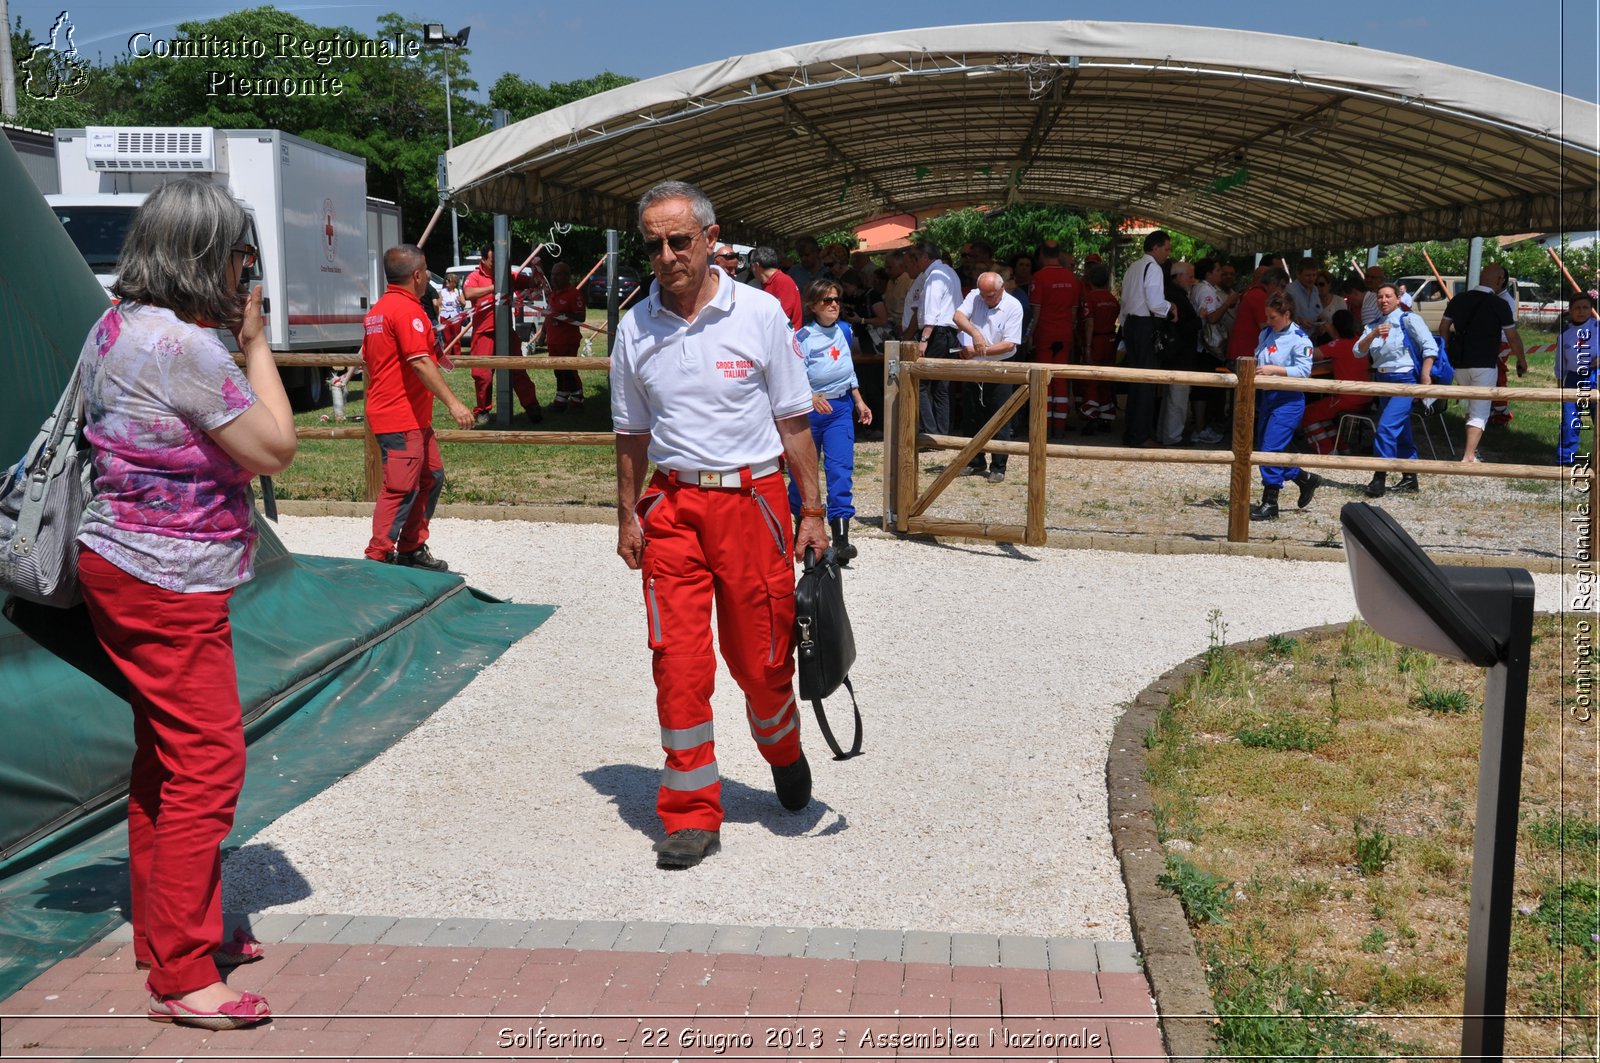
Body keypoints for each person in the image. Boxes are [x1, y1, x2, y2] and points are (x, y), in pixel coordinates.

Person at [73, 177, 297, 1031]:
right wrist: (257, 344)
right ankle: (181, 973)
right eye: (243, 254)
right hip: (169, 582)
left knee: (162, 761)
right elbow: (275, 446)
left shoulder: (114, 326)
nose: (248, 271)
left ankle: (170, 934)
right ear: (208, 256)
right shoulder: (189, 350)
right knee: (208, 763)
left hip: (117, 566)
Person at [611, 180, 828, 871]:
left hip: (752, 503)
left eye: (680, 240)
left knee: (762, 661)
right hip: (672, 508)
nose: (667, 254)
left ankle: (782, 747)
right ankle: (691, 812)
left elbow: (794, 422)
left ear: (711, 239)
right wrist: (625, 514)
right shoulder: (634, 325)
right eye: (654, 244)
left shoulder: (760, 313)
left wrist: (814, 510)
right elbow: (629, 435)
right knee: (678, 663)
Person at [362, 245, 476, 569]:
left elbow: (371, 359)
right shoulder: (406, 311)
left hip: (407, 415)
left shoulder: (378, 310)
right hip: (400, 416)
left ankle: (411, 549)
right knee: (400, 488)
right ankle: (377, 560)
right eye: (426, 270)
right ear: (416, 275)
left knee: (432, 476)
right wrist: (454, 404)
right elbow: (421, 364)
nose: (428, 276)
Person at [790, 278, 873, 560]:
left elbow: (848, 370)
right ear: (813, 306)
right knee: (803, 472)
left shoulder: (845, 331)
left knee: (840, 470)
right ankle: (803, 529)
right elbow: (793, 375)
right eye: (828, 300)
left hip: (840, 408)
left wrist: (859, 402)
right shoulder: (802, 337)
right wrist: (811, 396)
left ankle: (841, 540)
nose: (835, 304)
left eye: (837, 299)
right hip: (810, 411)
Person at [1246, 291, 1323, 520]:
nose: (1268, 321)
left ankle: (1271, 503)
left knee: (1270, 450)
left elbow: (1304, 371)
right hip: (1268, 397)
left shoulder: (1300, 339)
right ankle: (1304, 479)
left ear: (1286, 314)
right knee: (1267, 450)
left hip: (1288, 400)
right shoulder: (1266, 334)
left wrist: (1275, 370)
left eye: (1273, 317)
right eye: (1267, 317)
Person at [1356, 282, 1436, 497]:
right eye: (1380, 297)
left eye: (1388, 296)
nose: (1383, 300)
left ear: (1398, 298)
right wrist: (1372, 334)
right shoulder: (1373, 325)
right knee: (1400, 429)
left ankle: (1379, 477)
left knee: (1385, 428)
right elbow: (1358, 351)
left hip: (1405, 381)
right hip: (1382, 379)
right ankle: (1410, 477)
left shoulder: (1409, 319)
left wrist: (1425, 377)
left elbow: (1430, 347)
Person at [1439, 263, 1526, 463]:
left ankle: (1471, 449)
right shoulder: (1500, 304)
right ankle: (1468, 455)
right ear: (1500, 280)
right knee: (1480, 410)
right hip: (1485, 363)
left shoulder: (1458, 299)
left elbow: (1444, 327)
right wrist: (1522, 360)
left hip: (1459, 363)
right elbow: (1513, 337)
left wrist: (1444, 350)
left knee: (1471, 405)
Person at [954, 271, 1025, 481]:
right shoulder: (975, 296)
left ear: (1002, 289)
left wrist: (977, 350)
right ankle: (974, 460)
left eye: (991, 295)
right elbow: (957, 316)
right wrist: (975, 333)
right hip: (975, 364)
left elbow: (1010, 344)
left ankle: (998, 466)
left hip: (1001, 363)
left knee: (1000, 414)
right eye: (983, 295)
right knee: (972, 413)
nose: (986, 299)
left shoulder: (1014, 306)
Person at [464, 246, 544, 428]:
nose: (498, 265)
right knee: (481, 374)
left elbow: (532, 283)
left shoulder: (508, 276)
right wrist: (495, 287)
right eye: (494, 261)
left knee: (517, 370)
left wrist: (538, 273)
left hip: (506, 331)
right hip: (483, 332)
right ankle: (483, 410)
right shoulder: (474, 277)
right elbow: (468, 293)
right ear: (483, 260)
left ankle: (532, 406)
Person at [1118, 230, 1176, 448]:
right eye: (1167, 249)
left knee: (1136, 380)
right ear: (1155, 248)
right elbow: (1154, 302)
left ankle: (1132, 431)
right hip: (1144, 324)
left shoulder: (1133, 267)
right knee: (1146, 381)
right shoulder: (1153, 268)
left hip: (1131, 324)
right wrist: (1169, 307)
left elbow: (1124, 300)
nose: (1167, 254)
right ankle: (1141, 435)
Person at [1031, 243, 1085, 436]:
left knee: (1042, 379)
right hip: (1064, 333)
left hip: (1045, 333)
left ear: (1043, 255)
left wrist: (1030, 334)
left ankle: (1043, 427)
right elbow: (1073, 312)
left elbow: (1035, 312)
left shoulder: (1039, 277)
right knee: (1060, 378)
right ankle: (1060, 427)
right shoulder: (1072, 278)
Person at [909, 242, 962, 435]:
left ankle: (930, 433)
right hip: (949, 333)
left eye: (915, 258)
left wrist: (924, 339)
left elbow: (932, 309)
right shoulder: (950, 272)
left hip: (936, 333)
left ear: (925, 257)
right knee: (942, 387)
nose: (915, 263)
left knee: (921, 383)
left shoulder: (935, 276)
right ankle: (941, 433)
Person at [1300, 310, 1371, 454]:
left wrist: (1296, 348)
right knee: (1321, 414)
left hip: (1347, 398)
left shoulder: (1338, 345)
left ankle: (1327, 452)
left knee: (1307, 414)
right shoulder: (1358, 341)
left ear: (1336, 326)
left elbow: (1312, 354)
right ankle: (1342, 448)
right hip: (1365, 397)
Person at [1078, 262, 1121, 432]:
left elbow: (1089, 324)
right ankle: (1107, 416)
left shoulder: (1090, 298)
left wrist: (1087, 348)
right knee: (1105, 380)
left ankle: (1091, 416)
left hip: (1095, 341)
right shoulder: (1112, 299)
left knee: (1091, 380)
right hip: (1110, 340)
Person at [1556, 293, 1595, 466]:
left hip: (1595, 376)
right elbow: (1560, 364)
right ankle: (1565, 459)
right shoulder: (1565, 334)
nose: (1581, 311)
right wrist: (1560, 387)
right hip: (1573, 378)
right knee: (1569, 420)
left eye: (1585, 307)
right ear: (1570, 310)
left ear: (1591, 309)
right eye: (1577, 308)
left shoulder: (1598, 328)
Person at [544, 261, 589, 410]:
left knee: (568, 368)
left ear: (567, 276)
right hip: (553, 340)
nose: (554, 278)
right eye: (552, 275)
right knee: (558, 369)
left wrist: (561, 315)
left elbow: (580, 317)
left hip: (568, 340)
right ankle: (562, 394)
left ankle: (577, 395)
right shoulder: (552, 294)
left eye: (558, 275)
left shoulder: (574, 294)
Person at [748, 246, 802, 329]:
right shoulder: (763, 282)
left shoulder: (783, 281)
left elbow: (781, 316)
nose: (751, 269)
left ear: (756, 265)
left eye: (751, 265)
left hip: (784, 338)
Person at [437, 272, 465, 361]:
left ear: (454, 283)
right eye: (446, 281)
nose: (446, 283)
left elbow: (464, 303)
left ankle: (457, 356)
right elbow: (438, 303)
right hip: (445, 316)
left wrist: (459, 300)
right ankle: (447, 356)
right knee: (446, 337)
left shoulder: (458, 291)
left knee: (456, 337)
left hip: (456, 316)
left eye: (448, 281)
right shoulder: (442, 292)